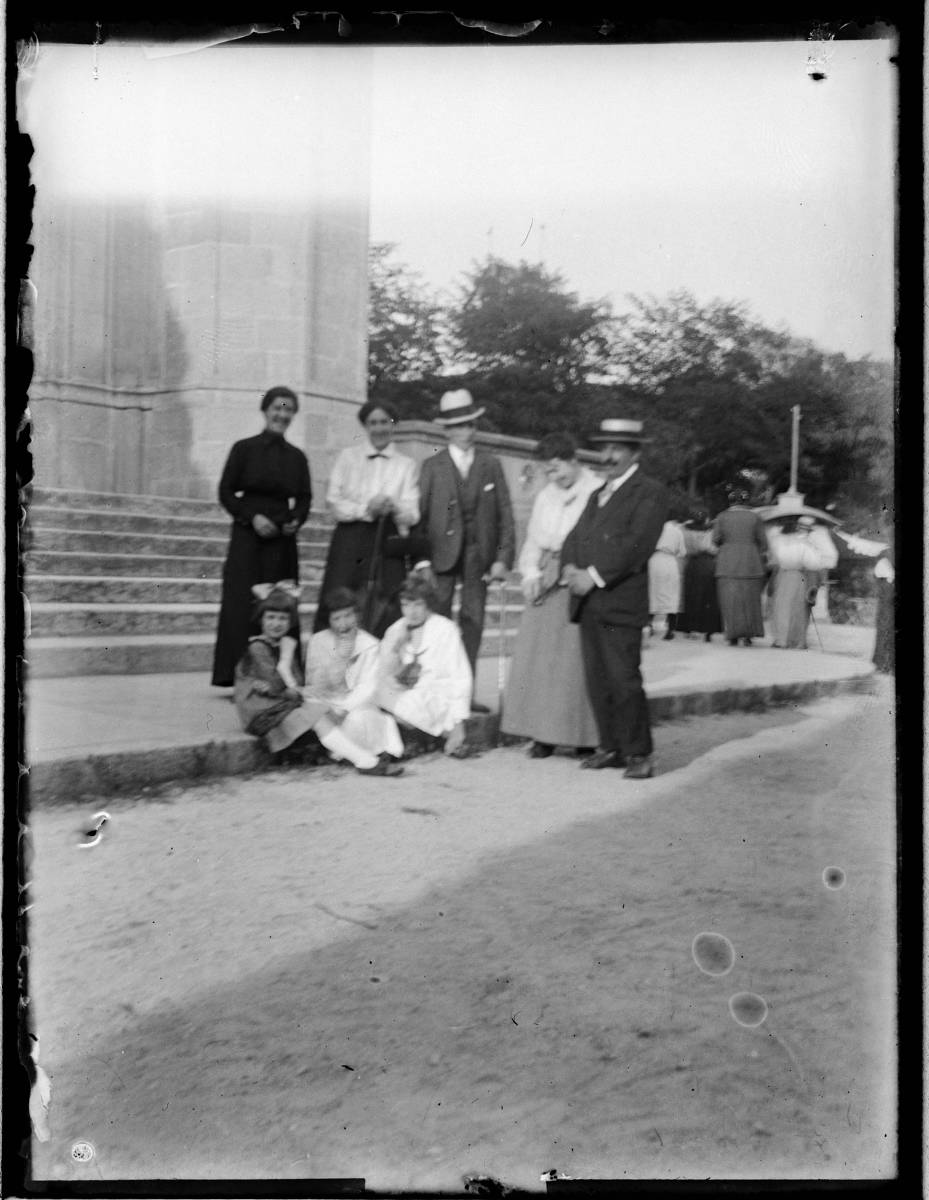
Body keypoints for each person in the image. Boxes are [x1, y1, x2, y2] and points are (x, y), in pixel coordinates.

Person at [560, 418, 668, 780]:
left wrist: (591, 576)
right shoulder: (596, 494)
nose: (608, 456)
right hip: (589, 602)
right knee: (598, 679)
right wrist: (571, 569)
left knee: (623, 679)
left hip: (620, 602)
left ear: (634, 453)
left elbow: (636, 545)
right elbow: (575, 537)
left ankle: (640, 753)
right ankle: (612, 747)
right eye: (604, 448)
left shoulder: (649, 491)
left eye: (616, 449)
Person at [501, 433, 601, 757]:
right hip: (547, 576)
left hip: (579, 576)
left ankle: (584, 737)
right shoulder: (546, 494)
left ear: (573, 460)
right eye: (548, 470)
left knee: (575, 660)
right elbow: (532, 539)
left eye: (557, 468)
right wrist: (529, 573)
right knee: (541, 658)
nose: (553, 476)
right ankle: (542, 734)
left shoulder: (596, 489)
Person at [234, 583, 403, 776]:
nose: (276, 624)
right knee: (317, 717)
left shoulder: (283, 644)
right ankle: (366, 761)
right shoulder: (258, 647)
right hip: (260, 710)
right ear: (260, 619)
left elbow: (297, 681)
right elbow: (280, 684)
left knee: (321, 715)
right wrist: (287, 662)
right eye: (270, 618)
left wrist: (292, 677)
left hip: (279, 703)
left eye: (282, 619)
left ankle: (365, 760)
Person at [414, 389, 515, 710]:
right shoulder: (432, 465)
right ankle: (438, 692)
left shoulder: (491, 464)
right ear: (447, 430)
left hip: (478, 556)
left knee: (473, 623)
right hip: (441, 557)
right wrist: (422, 560)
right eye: (459, 426)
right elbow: (420, 517)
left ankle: (465, 695)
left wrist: (502, 558)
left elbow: (506, 517)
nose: (467, 432)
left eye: (471, 424)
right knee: (439, 624)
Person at [212, 386, 312, 687]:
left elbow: (305, 497)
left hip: (282, 539)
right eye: (277, 408)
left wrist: (296, 520)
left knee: (280, 603)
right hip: (248, 535)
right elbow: (226, 491)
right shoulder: (243, 448)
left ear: (293, 415)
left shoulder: (297, 457)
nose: (282, 415)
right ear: (265, 410)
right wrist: (251, 517)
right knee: (242, 603)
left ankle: (282, 676)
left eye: (288, 410)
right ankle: (238, 676)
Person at [313, 400, 420, 638]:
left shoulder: (406, 465)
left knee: (387, 601)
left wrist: (394, 506)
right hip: (351, 538)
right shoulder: (348, 457)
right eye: (373, 423)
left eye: (384, 422)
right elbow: (333, 500)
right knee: (339, 595)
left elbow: (413, 513)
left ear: (393, 425)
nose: (379, 428)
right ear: (365, 426)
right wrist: (366, 509)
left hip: (388, 538)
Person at [376, 569, 474, 758]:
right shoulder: (396, 629)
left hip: (435, 691)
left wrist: (459, 721)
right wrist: (396, 647)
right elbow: (384, 672)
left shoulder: (445, 629)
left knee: (418, 703)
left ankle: (446, 734)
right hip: (404, 690)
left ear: (428, 603)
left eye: (418, 604)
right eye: (405, 605)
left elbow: (459, 674)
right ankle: (413, 739)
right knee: (378, 692)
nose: (411, 612)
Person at [301, 586, 404, 760]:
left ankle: (370, 754)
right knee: (322, 717)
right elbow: (313, 680)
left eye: (348, 615)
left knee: (361, 718)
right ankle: (353, 753)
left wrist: (344, 708)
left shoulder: (369, 644)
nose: (343, 624)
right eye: (337, 618)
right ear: (329, 620)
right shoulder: (318, 641)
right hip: (327, 703)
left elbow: (368, 686)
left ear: (357, 614)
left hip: (356, 704)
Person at [712, 487, 769, 646]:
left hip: (727, 563)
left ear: (730, 501)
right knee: (750, 600)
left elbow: (715, 539)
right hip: (751, 563)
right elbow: (763, 543)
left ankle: (733, 635)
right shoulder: (755, 517)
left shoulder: (722, 517)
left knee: (729, 600)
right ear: (747, 501)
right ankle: (748, 635)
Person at [767, 515, 828, 649]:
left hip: (782, 576)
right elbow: (813, 564)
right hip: (799, 576)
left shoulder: (780, 542)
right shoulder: (806, 545)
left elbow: (774, 561)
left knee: (781, 608)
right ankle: (797, 640)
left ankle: (781, 640)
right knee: (798, 609)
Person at [676, 511, 722, 641]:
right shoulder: (711, 531)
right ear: (706, 519)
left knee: (691, 596)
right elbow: (715, 548)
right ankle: (708, 630)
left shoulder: (684, 530)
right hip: (709, 564)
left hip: (692, 564)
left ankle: (689, 627)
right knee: (709, 597)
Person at [647, 515, 687, 640]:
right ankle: (670, 629)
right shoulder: (677, 531)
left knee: (652, 592)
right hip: (670, 561)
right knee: (671, 593)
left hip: (654, 560)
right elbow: (682, 552)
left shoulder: (652, 528)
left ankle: (649, 626)